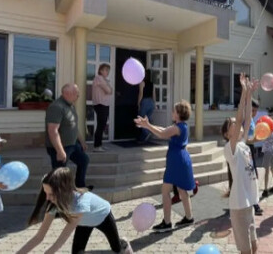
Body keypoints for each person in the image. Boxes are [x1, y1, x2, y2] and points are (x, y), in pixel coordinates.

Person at [17, 167, 133, 254]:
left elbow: (60, 242)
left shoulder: (80, 203)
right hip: (83, 222)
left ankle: (123, 243)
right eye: (45, 193)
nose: (47, 198)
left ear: (63, 191)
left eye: (51, 194)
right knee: (77, 252)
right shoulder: (53, 204)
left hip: (103, 217)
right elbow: (39, 237)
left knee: (117, 249)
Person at [134, 100, 196, 231]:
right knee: (182, 190)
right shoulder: (181, 126)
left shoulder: (178, 127)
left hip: (176, 161)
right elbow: (164, 130)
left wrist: (147, 125)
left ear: (179, 114)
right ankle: (189, 218)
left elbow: (162, 134)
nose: (172, 113)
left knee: (166, 191)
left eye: (174, 111)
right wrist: (147, 125)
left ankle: (167, 222)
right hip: (181, 159)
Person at [221, 74, 259, 254]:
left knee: (254, 245)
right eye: (233, 125)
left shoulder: (243, 143)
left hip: (249, 202)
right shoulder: (231, 148)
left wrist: (250, 93)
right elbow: (240, 115)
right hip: (238, 206)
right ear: (228, 134)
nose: (237, 124)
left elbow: (248, 117)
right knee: (245, 250)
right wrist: (243, 92)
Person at [45, 84, 90, 188]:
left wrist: (82, 141)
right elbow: (52, 130)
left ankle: (80, 187)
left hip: (73, 144)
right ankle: (57, 198)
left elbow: (73, 125)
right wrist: (60, 151)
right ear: (67, 94)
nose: (78, 95)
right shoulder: (56, 107)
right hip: (61, 146)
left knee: (84, 160)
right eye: (76, 93)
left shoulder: (70, 106)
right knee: (59, 174)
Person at [225, 99, 264, 215]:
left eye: (256, 111)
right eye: (252, 110)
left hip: (248, 149)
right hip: (239, 152)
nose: (254, 113)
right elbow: (244, 137)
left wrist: (259, 138)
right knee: (239, 177)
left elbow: (249, 136)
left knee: (251, 174)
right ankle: (245, 203)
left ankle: (253, 202)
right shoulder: (242, 122)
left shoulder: (251, 120)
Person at [92, 64, 113, 152]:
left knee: (103, 124)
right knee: (101, 125)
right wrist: (109, 88)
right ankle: (97, 146)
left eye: (108, 70)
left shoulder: (104, 80)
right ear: (100, 71)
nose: (107, 72)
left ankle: (99, 144)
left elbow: (111, 91)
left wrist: (109, 88)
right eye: (105, 70)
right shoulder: (99, 78)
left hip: (104, 104)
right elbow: (108, 90)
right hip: (100, 104)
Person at [260, 117, 273, 198]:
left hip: (268, 152)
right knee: (272, 169)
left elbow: (262, 137)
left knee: (267, 171)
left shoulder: (269, 131)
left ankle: (265, 189)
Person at [137, 70, 154, 144]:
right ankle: (143, 138)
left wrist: (138, 102)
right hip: (151, 102)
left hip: (145, 101)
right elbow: (154, 94)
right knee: (148, 119)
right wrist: (154, 103)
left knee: (142, 119)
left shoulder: (142, 82)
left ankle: (147, 133)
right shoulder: (151, 83)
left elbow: (141, 93)